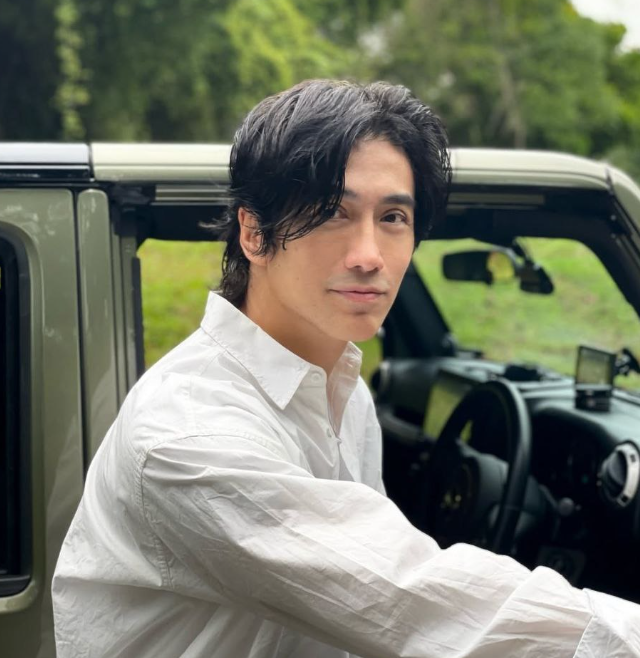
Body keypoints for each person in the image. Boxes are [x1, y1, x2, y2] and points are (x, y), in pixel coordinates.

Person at [52, 80, 639, 657]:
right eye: (334, 212)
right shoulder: (190, 436)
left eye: (393, 217)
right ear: (254, 234)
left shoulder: (342, 387)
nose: (369, 256)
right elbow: (405, 597)